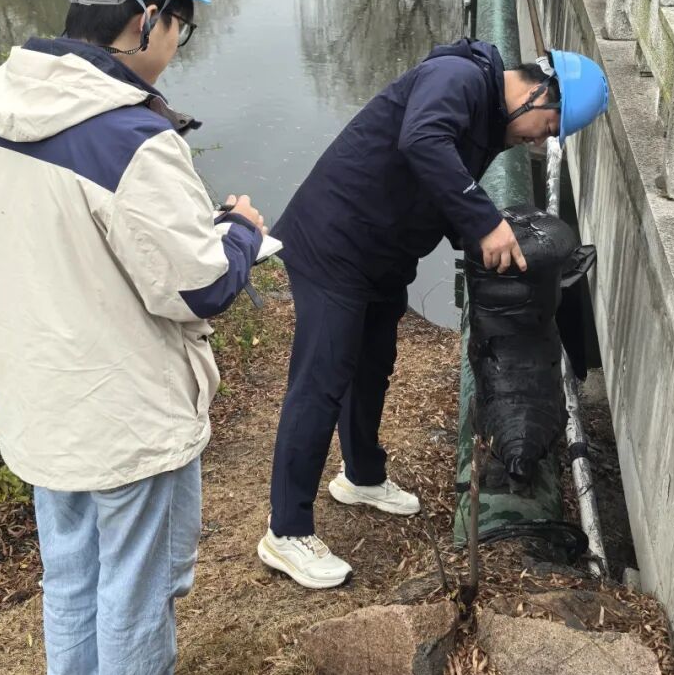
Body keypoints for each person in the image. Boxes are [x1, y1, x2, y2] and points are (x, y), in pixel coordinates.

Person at [0, 0, 266, 675]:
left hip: (42, 394)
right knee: (136, 572)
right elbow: (200, 289)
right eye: (181, 25)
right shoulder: (129, 138)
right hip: (122, 403)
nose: (177, 43)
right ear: (145, 18)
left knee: (69, 570)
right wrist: (242, 234)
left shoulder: (1, 115)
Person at [258, 37, 609, 589]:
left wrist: (495, 231)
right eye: (547, 127)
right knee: (321, 381)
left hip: (381, 254)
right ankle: (287, 531)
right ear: (541, 93)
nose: (540, 140)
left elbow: (439, 189)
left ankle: (361, 476)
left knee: (373, 365)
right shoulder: (459, 78)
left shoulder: (489, 119)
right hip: (335, 242)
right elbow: (422, 140)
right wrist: (484, 222)